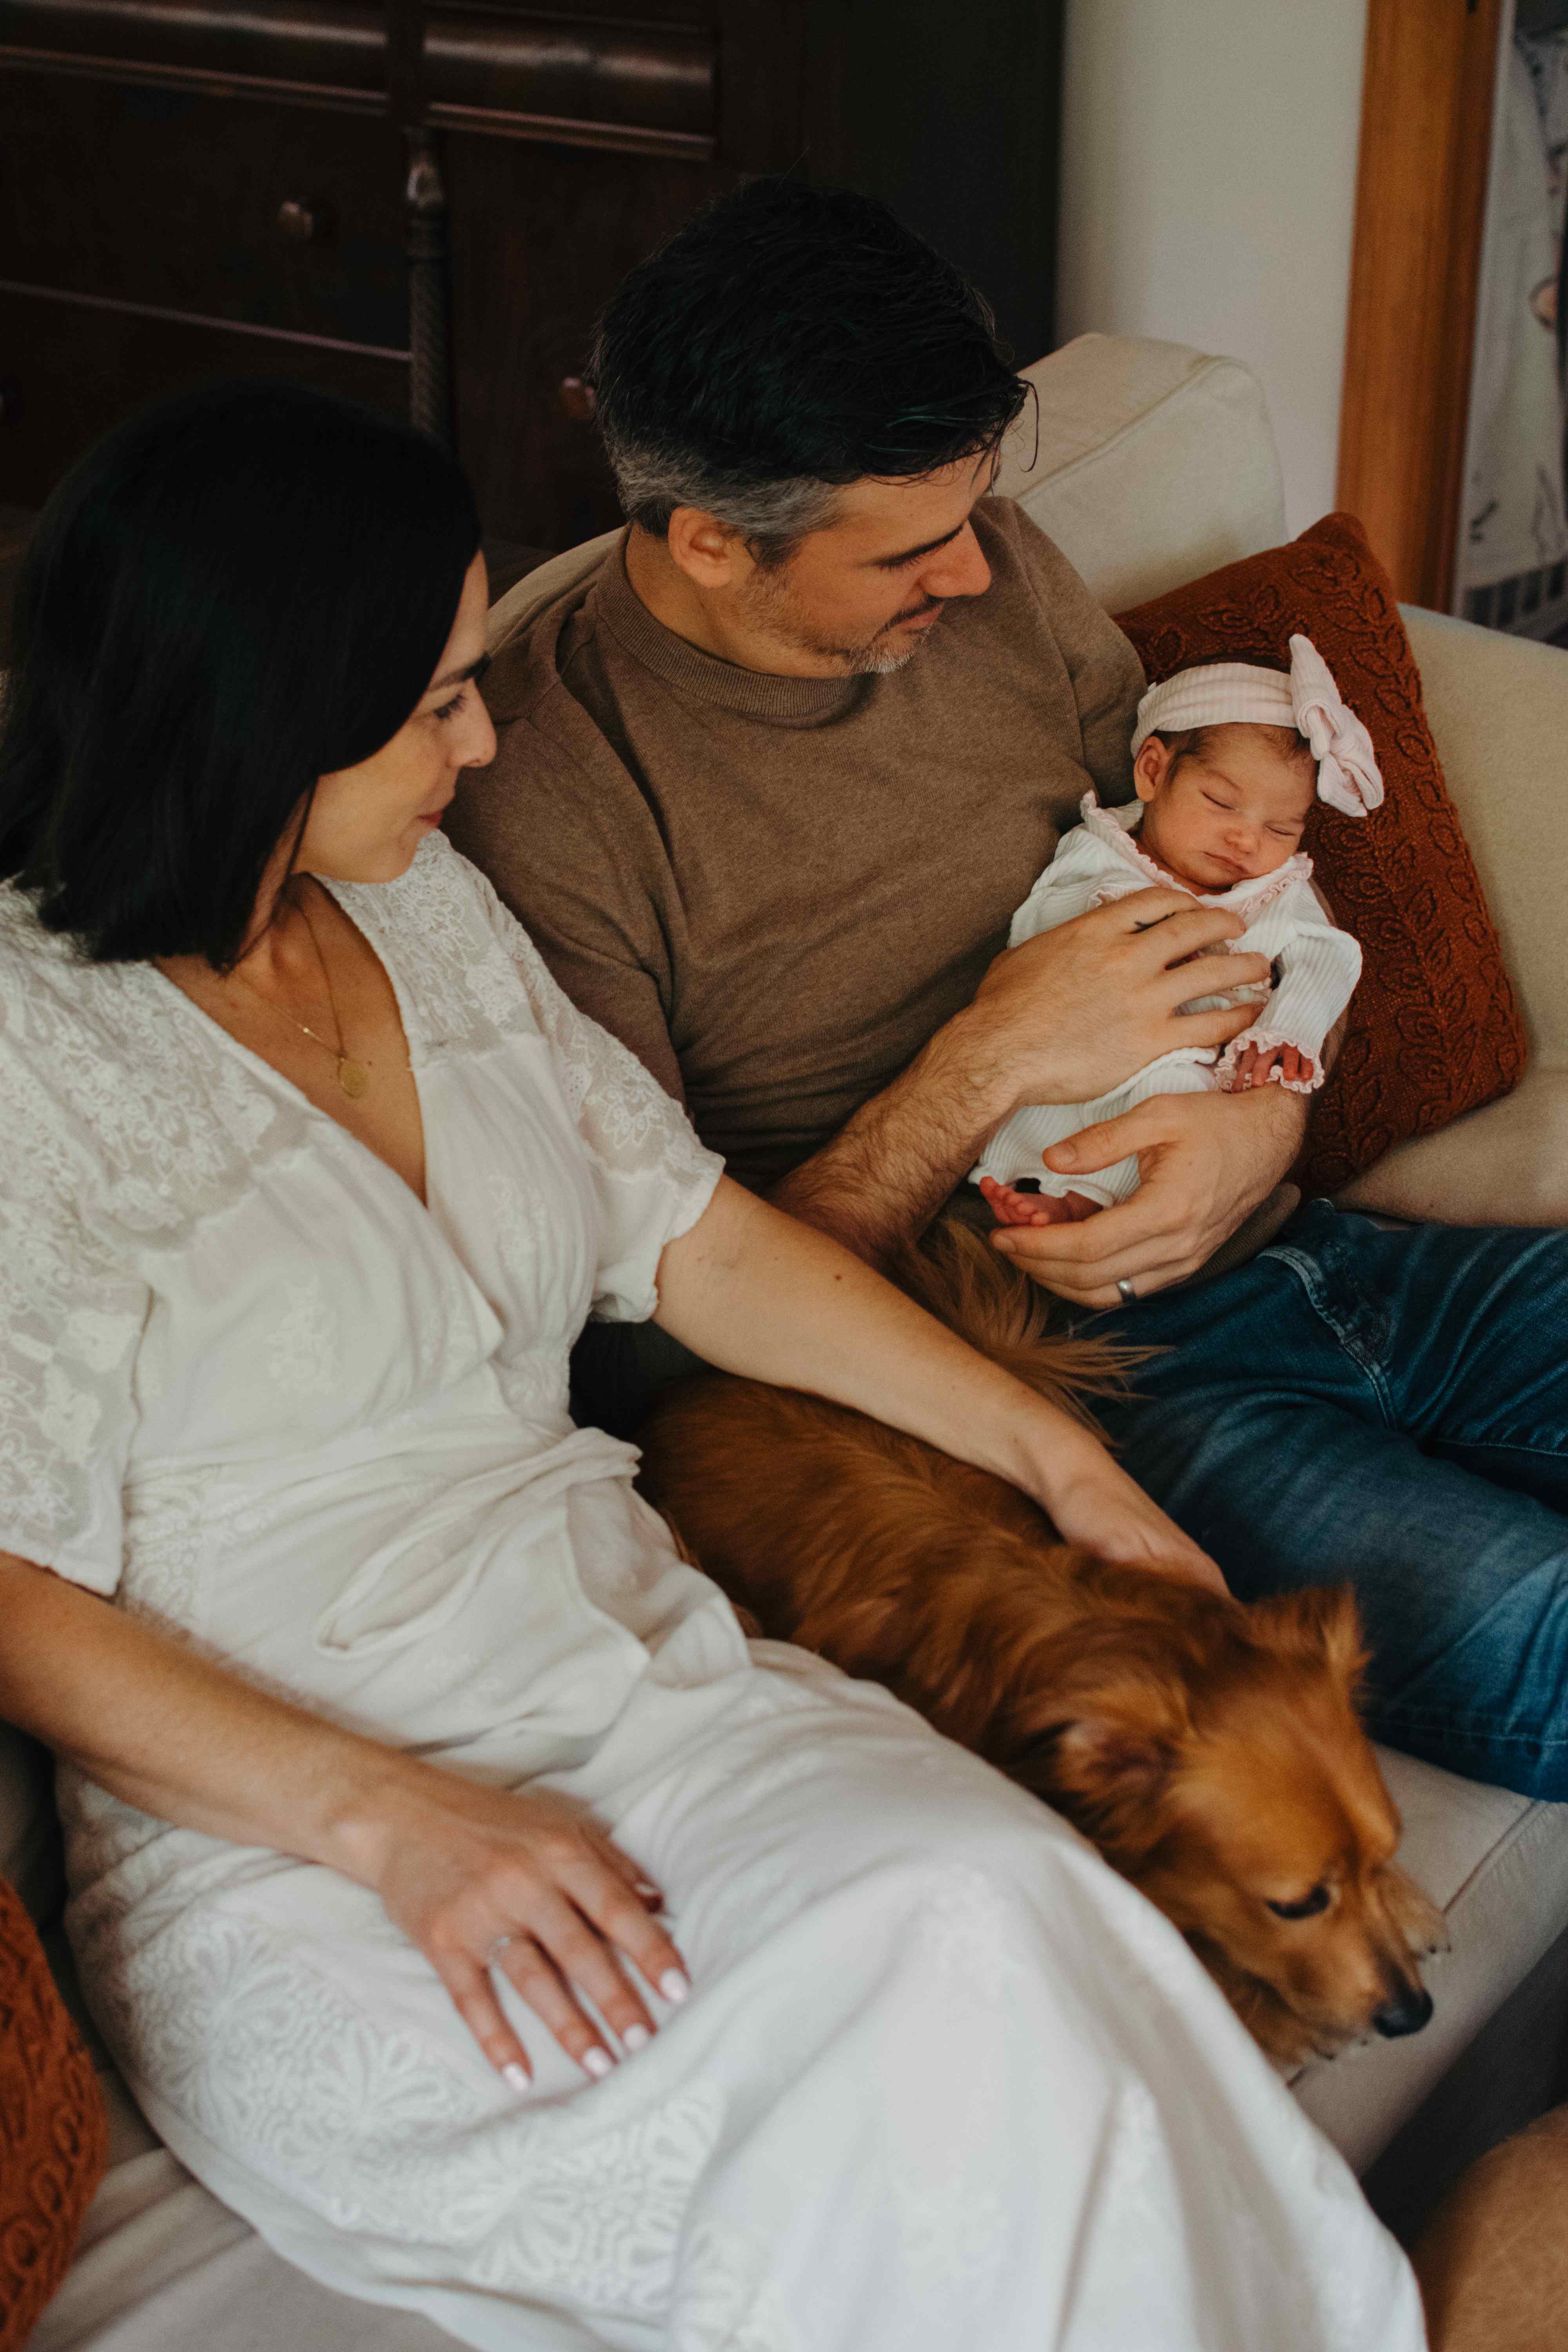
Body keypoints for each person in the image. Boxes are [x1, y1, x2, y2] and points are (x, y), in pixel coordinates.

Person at [0, 382, 1422, 2350]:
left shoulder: (422, 919)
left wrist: (1061, 1467)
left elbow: (693, 1234)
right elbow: (12, 1592)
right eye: (432, 703)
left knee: (1004, 1912)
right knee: (866, 2115)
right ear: (253, 713)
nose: (483, 741)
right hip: (300, 1823)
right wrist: (391, 1822)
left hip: (639, 1668)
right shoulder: (29, 1057)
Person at [450, 174, 1568, 1804]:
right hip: (1072, 1375)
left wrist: (1271, 1120)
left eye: (978, 513)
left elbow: (1225, 875)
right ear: (707, 542)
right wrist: (980, 1067)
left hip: (1321, 1245)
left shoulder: (993, 570)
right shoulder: (550, 808)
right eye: (909, 548)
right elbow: (649, 1340)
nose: (978, 575)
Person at [975, 633, 1377, 1222]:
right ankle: (1033, 1184)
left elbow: (1330, 955)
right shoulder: (1099, 849)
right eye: (1220, 802)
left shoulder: (1276, 891)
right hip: (1089, 1023)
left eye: (1282, 829)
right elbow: (1037, 926)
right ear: (1153, 772)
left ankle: (1087, 1203)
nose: (1247, 840)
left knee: (1175, 1094)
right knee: (1045, 1100)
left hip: (1199, 1060)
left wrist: (1291, 1031)